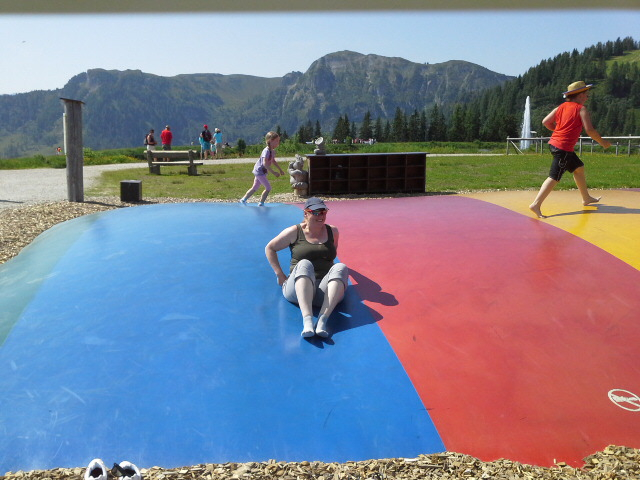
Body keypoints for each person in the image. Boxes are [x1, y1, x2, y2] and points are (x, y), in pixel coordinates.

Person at [265, 197, 349, 338]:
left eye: (323, 212)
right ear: (306, 213)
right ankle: (307, 321)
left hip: (323, 293)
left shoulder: (333, 231)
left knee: (341, 267)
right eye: (316, 212)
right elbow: (270, 248)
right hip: (298, 290)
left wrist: (336, 278)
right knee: (304, 263)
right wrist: (280, 274)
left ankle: (322, 320)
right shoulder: (294, 232)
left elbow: (332, 254)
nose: (321, 215)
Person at [529, 81, 611, 218]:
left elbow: (545, 122)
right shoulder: (581, 109)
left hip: (555, 144)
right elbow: (590, 130)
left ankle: (586, 198)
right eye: (586, 94)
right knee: (554, 177)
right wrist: (603, 142)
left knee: (579, 168)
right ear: (580, 95)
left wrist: (558, 130)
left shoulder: (561, 107)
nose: (587, 97)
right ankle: (535, 204)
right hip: (563, 148)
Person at [239, 131, 285, 206]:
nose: (278, 143)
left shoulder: (273, 151)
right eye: (277, 141)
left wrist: (280, 170)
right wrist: (273, 172)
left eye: (279, 141)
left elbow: (273, 161)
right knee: (268, 188)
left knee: (255, 187)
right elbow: (265, 164)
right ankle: (261, 202)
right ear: (270, 141)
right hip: (259, 171)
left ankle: (243, 199)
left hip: (262, 171)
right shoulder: (266, 151)